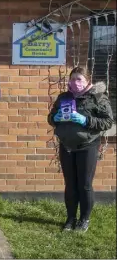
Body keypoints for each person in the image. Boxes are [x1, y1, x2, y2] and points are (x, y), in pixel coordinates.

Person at [48, 67, 113, 232]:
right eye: (73, 79)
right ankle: (70, 218)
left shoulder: (98, 97)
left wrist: (85, 120)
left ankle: (84, 219)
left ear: (87, 81)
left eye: (79, 79)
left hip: (87, 146)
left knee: (84, 184)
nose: (75, 83)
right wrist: (55, 118)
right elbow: (51, 117)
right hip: (67, 146)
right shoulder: (64, 97)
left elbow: (107, 122)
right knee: (70, 185)